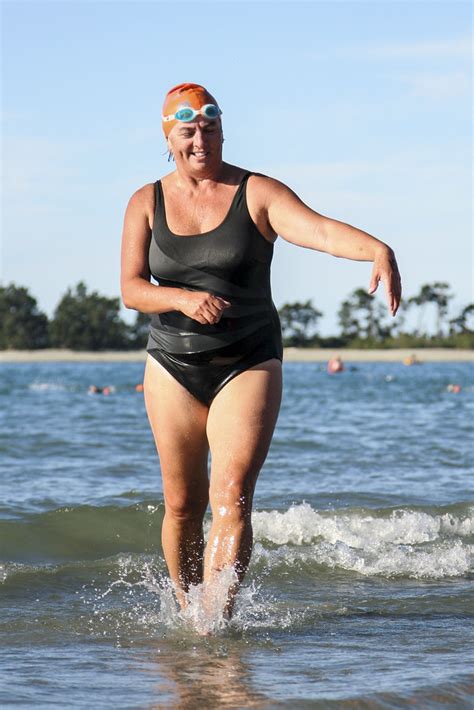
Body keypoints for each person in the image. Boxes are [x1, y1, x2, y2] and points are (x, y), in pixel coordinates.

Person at [120, 82, 401, 623]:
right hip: (172, 365)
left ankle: (215, 626)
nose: (201, 139)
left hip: (248, 360)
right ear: (168, 138)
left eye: (210, 127)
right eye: (188, 131)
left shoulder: (257, 193)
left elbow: (316, 229)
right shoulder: (144, 202)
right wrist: (181, 297)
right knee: (182, 505)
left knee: (232, 496)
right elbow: (132, 287)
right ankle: (188, 610)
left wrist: (376, 249)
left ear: (222, 130)